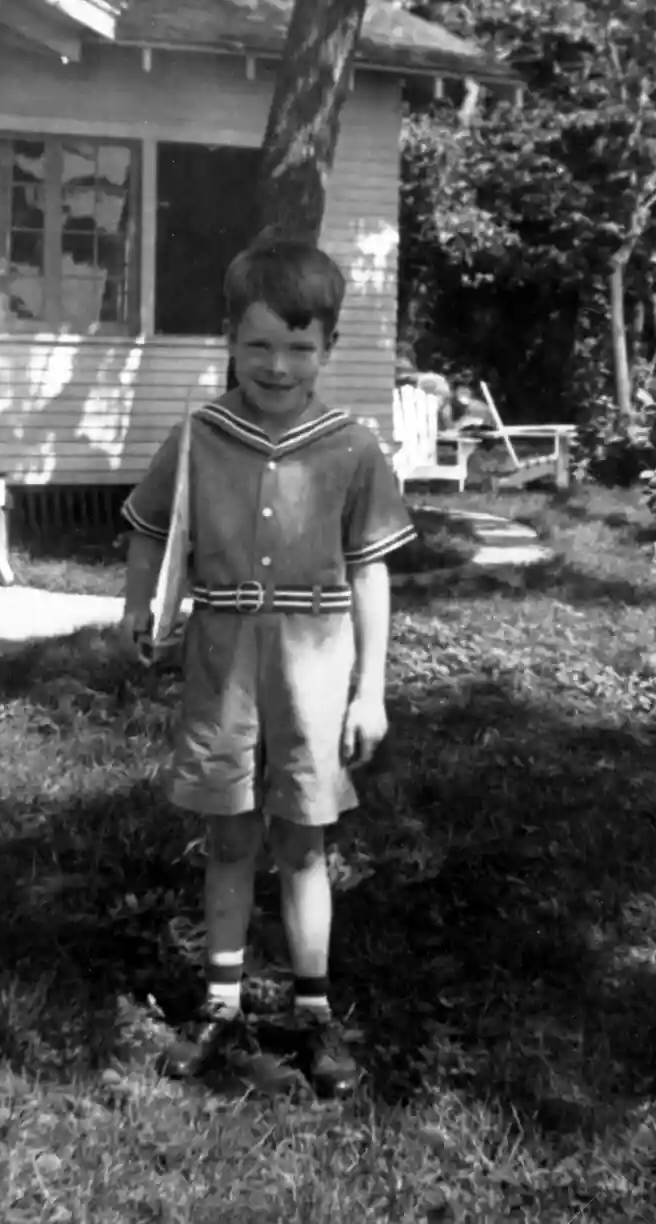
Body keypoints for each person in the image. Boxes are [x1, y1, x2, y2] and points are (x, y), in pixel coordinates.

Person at [119, 236, 416, 1099]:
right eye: (258, 345)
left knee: (303, 840)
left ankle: (314, 1015)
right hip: (221, 659)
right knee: (227, 833)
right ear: (231, 342)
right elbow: (148, 528)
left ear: (327, 348)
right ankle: (219, 1005)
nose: (277, 365)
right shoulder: (200, 436)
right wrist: (138, 606)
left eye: (298, 347)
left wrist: (370, 690)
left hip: (315, 665)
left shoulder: (352, 448)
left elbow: (370, 569)